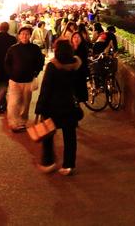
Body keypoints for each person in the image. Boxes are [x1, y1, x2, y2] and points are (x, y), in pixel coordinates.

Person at [36, 40, 83, 176]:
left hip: (52, 106)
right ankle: (68, 165)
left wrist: (39, 107)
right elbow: (80, 85)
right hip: (69, 105)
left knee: (48, 135)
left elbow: (46, 88)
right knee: (70, 136)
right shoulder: (76, 66)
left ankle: (48, 162)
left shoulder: (52, 66)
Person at [4, 26, 44, 131]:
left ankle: (22, 122)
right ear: (19, 36)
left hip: (28, 80)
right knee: (13, 102)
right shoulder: (13, 48)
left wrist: (36, 72)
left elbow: (40, 62)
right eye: (22, 34)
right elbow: (7, 63)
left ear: (30, 35)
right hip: (14, 80)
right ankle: (13, 123)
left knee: (26, 103)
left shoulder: (35, 48)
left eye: (27, 34)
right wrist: (10, 74)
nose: (24, 36)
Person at [69, 31, 91, 103]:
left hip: (81, 73)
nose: (76, 39)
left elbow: (84, 62)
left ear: (81, 39)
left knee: (79, 94)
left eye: (78, 37)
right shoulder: (70, 48)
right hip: (72, 73)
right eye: (74, 37)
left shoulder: (83, 48)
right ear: (72, 39)